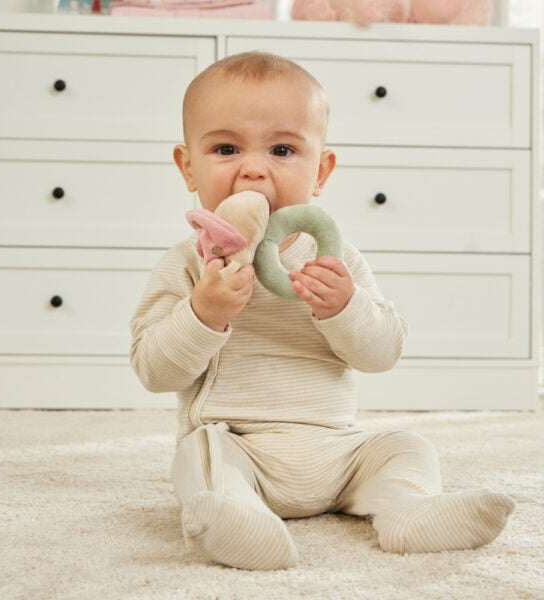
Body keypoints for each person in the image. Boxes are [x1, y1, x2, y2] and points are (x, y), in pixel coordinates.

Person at [129, 51, 515, 570]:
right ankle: (240, 520)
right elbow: (154, 371)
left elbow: (383, 354)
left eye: (282, 149)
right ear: (187, 167)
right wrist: (203, 313)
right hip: (240, 449)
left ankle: (408, 512)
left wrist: (344, 308)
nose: (253, 169)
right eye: (226, 148)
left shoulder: (335, 259)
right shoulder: (187, 265)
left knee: (406, 446)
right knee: (197, 456)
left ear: (321, 172)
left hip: (337, 452)